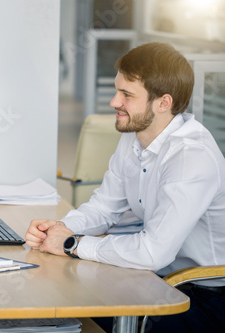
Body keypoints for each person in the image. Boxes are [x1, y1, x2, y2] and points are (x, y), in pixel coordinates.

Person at [25, 42, 225, 332]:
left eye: (126, 95)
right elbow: (104, 208)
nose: (114, 102)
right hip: (158, 277)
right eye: (117, 91)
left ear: (163, 103)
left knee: (71, 299)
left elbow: (153, 253)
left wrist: (72, 244)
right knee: (54, 289)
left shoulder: (190, 157)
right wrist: (57, 229)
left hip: (202, 296)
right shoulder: (135, 135)